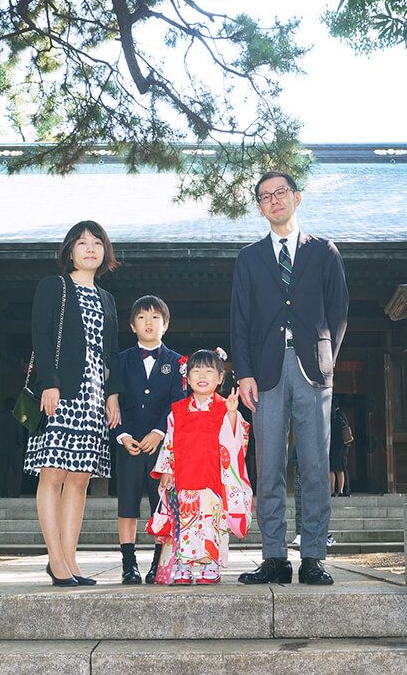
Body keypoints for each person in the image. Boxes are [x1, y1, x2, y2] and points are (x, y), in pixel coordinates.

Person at [231, 170, 349, 586]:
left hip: (313, 371)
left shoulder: (324, 251)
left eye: (281, 192)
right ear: (260, 207)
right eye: (265, 196)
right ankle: (274, 556)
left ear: (296, 198)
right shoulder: (249, 258)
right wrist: (243, 373)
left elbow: (339, 313)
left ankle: (314, 555)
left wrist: (326, 362)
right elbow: (240, 321)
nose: (274, 200)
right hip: (264, 373)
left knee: (316, 465)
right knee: (269, 467)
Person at [25, 220, 123, 587]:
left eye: (97, 243)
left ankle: (70, 558)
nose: (90, 248)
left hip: (95, 396)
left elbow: (110, 351)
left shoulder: (107, 298)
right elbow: (41, 335)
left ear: (105, 252)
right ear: (70, 251)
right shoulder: (55, 287)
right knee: (53, 474)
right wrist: (48, 382)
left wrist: (113, 394)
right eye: (82, 243)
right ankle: (55, 559)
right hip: (61, 392)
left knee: (80, 479)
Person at [148, 349, 253, 585]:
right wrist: (167, 469)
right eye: (196, 370)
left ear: (220, 378)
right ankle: (183, 567)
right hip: (184, 475)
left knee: (211, 523)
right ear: (187, 377)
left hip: (213, 477)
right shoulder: (177, 410)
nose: (202, 375)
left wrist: (233, 415)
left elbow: (236, 439)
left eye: (209, 370)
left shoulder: (225, 406)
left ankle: (210, 566)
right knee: (183, 524)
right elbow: (170, 442)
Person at [111, 295, 186, 584]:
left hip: (163, 447)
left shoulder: (178, 362)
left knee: (161, 505)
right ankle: (128, 564)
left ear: (165, 325)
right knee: (127, 504)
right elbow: (112, 400)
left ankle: (158, 564)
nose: (149, 323)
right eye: (142, 317)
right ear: (132, 325)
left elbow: (178, 403)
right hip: (128, 443)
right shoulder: (120, 360)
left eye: (156, 317)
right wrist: (123, 435)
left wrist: (159, 432)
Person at [0, 396, 28, 498]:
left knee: (3, 471)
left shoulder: (0, 417)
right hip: (15, 449)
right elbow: (19, 433)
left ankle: (3, 492)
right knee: (17, 472)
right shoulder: (16, 417)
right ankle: (16, 492)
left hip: (2, 448)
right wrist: (21, 446)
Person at [330, 398, 351, 497]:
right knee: (340, 469)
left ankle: (332, 490)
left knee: (332, 469)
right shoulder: (342, 416)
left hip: (331, 446)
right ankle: (341, 490)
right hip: (342, 446)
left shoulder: (330, 416)